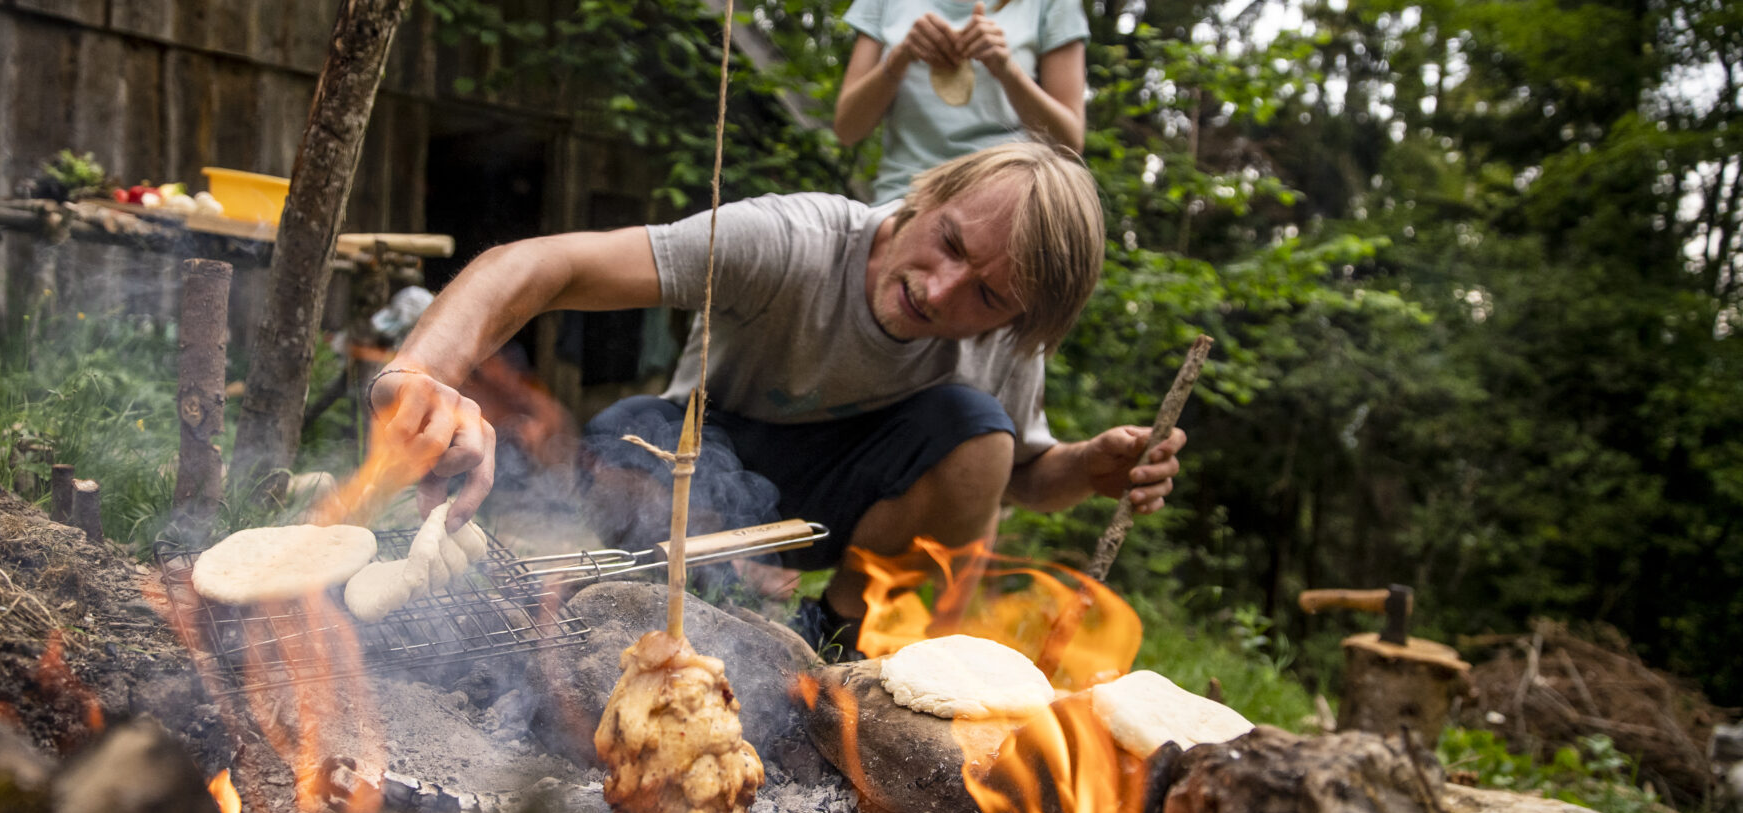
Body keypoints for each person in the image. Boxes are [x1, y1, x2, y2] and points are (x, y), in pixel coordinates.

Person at [368, 140, 1184, 635]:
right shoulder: (793, 242)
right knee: (624, 435)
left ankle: (845, 638)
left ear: (1017, 316)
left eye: (989, 295)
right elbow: (543, 265)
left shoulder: (1002, 340)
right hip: (701, 477)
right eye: (949, 243)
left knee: (978, 429)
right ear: (929, 194)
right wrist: (418, 376)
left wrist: (1085, 469)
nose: (941, 290)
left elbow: (1018, 480)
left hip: (845, 509)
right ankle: (712, 588)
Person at [834, 0, 1089, 204]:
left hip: (1006, 208)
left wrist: (1007, 70)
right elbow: (847, 129)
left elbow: (1068, 143)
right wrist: (900, 57)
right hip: (904, 203)